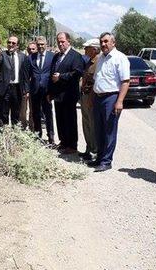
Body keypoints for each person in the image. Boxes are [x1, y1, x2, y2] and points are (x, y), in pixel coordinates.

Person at [88, 32, 130, 172]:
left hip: (111, 98)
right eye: (102, 42)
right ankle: (99, 158)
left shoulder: (120, 58)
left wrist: (120, 101)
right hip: (98, 98)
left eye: (106, 41)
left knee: (109, 131)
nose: (103, 44)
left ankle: (106, 161)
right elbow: (96, 79)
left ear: (113, 43)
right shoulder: (101, 58)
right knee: (98, 130)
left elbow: (125, 81)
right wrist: (91, 98)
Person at [47, 32, 84, 154]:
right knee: (60, 119)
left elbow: (77, 72)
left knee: (70, 120)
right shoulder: (56, 56)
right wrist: (50, 92)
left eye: (62, 41)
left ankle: (72, 146)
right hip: (58, 95)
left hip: (69, 95)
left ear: (69, 41)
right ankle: (63, 142)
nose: (60, 44)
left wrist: (61, 77)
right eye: (58, 41)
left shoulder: (76, 56)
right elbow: (51, 74)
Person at [0, 35, 28, 125]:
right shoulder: (3, 54)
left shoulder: (23, 57)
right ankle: (4, 132)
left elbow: (25, 75)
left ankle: (14, 132)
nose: (10, 44)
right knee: (3, 112)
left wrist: (26, 90)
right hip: (5, 88)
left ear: (17, 45)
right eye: (9, 42)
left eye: (13, 43)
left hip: (17, 88)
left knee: (16, 112)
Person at [26, 36, 55, 143]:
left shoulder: (52, 57)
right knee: (36, 114)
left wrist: (52, 91)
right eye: (38, 45)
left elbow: (53, 73)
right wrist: (27, 90)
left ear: (46, 44)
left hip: (47, 92)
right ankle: (38, 135)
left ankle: (51, 137)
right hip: (35, 91)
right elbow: (27, 75)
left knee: (48, 114)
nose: (40, 46)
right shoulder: (31, 57)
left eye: (42, 44)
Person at [79, 38, 100, 161]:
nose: (85, 50)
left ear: (94, 49)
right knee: (86, 123)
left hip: (91, 97)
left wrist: (90, 98)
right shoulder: (89, 61)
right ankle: (89, 149)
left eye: (87, 48)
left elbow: (95, 82)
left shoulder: (98, 62)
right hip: (84, 95)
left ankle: (94, 151)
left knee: (92, 125)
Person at [20, 42, 38, 130]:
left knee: (33, 109)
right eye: (29, 49)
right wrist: (25, 89)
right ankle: (22, 127)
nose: (31, 51)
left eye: (33, 49)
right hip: (24, 88)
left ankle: (32, 128)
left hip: (35, 89)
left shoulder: (38, 60)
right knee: (23, 109)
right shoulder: (24, 59)